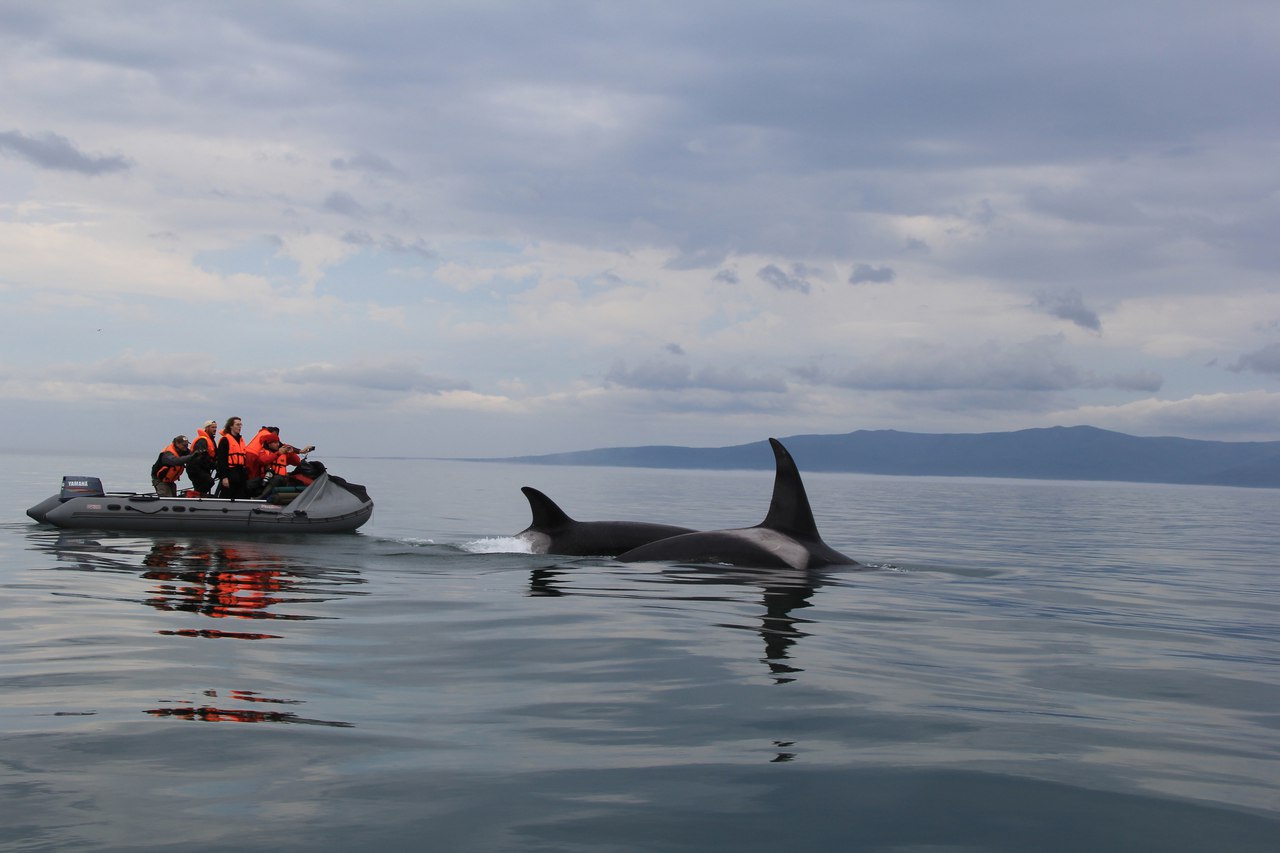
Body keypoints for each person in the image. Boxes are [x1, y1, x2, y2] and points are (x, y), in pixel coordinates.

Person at [215, 416, 249, 499]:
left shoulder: (241, 440)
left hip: (240, 472)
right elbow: (221, 460)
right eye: (237, 425)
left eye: (240, 425)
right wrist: (224, 477)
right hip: (230, 473)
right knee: (227, 495)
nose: (239, 427)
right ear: (231, 426)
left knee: (241, 495)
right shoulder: (225, 440)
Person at [187, 419, 219, 496]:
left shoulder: (211, 440)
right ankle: (194, 496)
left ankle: (199, 496)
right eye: (212, 427)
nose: (215, 429)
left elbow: (215, 455)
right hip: (195, 468)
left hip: (204, 468)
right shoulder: (202, 440)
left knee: (204, 485)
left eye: (215, 427)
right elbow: (201, 456)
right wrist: (214, 465)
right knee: (209, 482)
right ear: (207, 428)